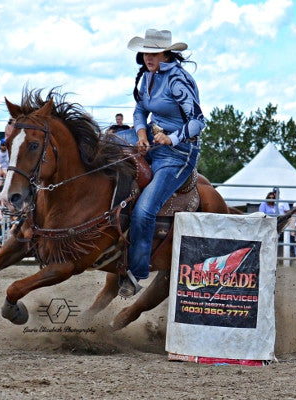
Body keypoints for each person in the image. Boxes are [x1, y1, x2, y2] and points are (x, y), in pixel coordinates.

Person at [116, 29, 205, 297]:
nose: (147, 57)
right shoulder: (148, 78)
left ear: (166, 53)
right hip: (153, 139)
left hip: (178, 153)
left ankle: (136, 273)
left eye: (153, 53)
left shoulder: (178, 79)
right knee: (107, 143)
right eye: (145, 52)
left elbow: (198, 121)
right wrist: (141, 134)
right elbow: (140, 109)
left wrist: (172, 138)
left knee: (145, 209)